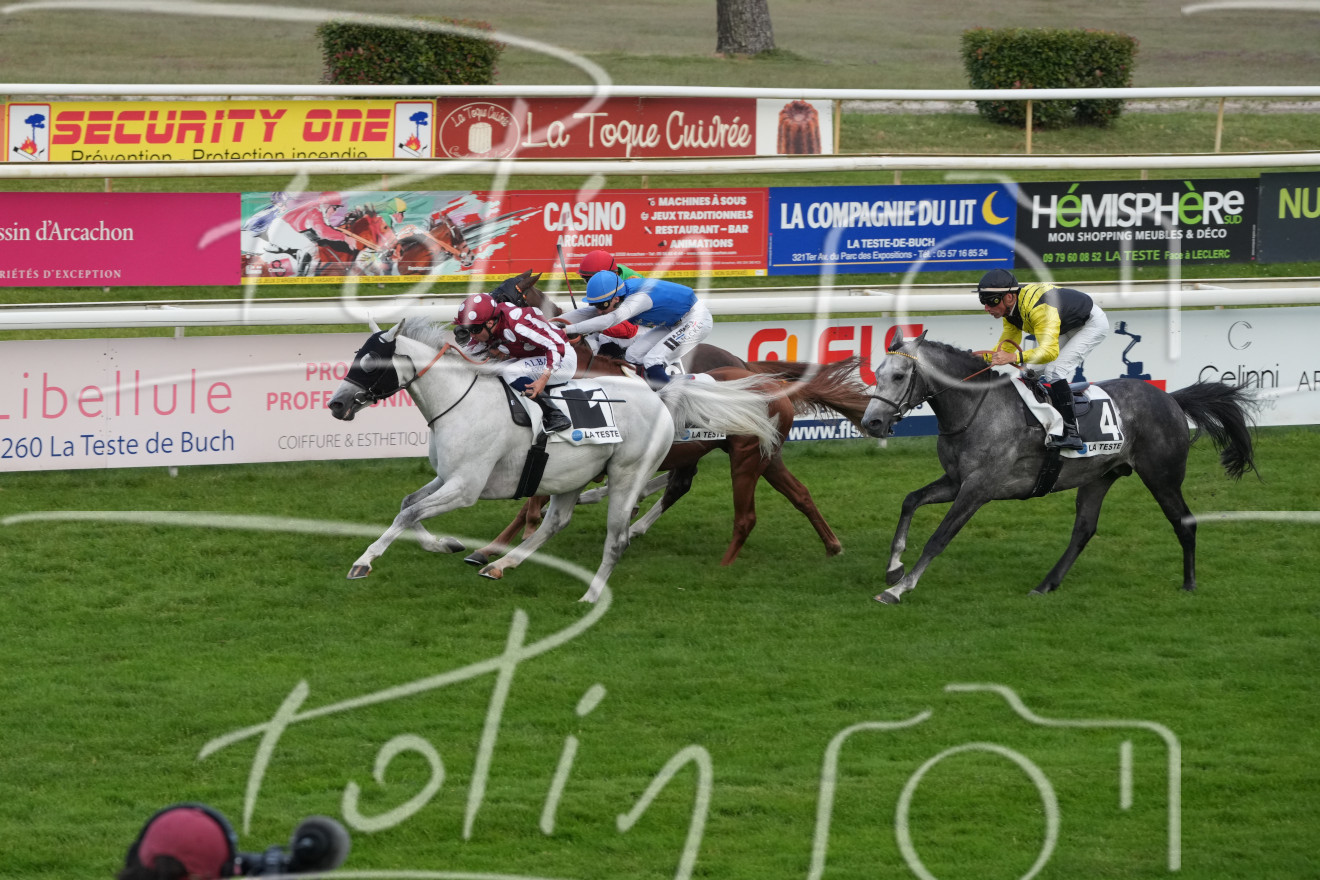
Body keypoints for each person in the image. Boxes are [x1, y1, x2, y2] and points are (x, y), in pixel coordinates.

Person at [973, 268, 1110, 450]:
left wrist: (1014, 357)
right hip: (1066, 325)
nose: (986, 308)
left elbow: (1049, 352)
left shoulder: (1039, 309)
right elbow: (1006, 347)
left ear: (1009, 297)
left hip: (1090, 325)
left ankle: (1072, 434)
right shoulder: (1009, 312)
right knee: (1029, 372)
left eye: (991, 301)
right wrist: (981, 358)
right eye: (983, 301)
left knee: (1055, 371)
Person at [557, 270, 712, 388]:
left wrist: (568, 330)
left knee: (652, 360)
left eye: (602, 305)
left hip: (696, 319)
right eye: (595, 305)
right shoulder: (618, 296)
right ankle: (651, 389)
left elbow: (610, 320)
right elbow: (586, 313)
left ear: (616, 298)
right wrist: (551, 323)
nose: (598, 310)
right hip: (673, 323)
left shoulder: (639, 299)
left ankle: (680, 399)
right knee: (633, 354)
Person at [454, 292, 577, 433]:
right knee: (491, 371)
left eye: (474, 330)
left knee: (510, 371)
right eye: (468, 330)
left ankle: (555, 415)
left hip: (563, 358)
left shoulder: (517, 325)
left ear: (490, 323)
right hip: (537, 357)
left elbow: (556, 346)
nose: (472, 335)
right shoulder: (488, 326)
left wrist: (544, 378)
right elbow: (467, 357)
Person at [263, 192, 354, 276]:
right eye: (334, 208)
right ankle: (302, 276)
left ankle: (302, 272)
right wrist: (346, 238)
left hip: (282, 230)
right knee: (311, 249)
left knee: (311, 248)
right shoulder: (315, 210)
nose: (335, 211)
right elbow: (323, 232)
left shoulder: (315, 208)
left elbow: (321, 230)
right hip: (282, 231)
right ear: (326, 204)